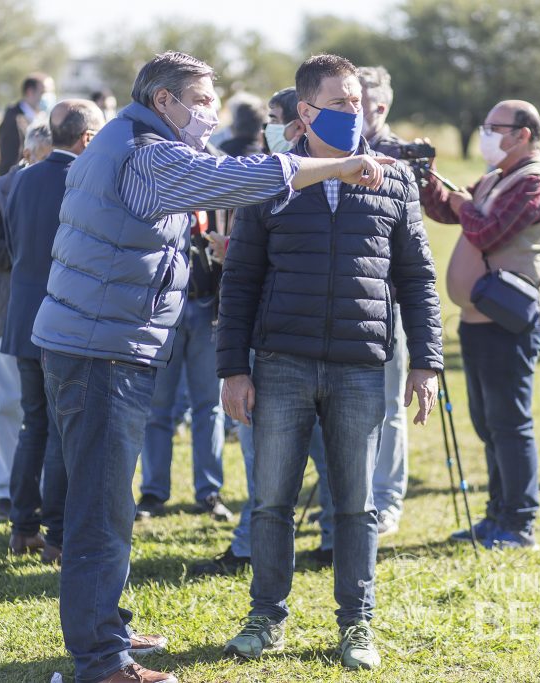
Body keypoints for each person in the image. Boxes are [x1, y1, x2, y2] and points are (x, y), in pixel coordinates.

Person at [30, 50, 395, 683]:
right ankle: (102, 661)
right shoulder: (146, 154)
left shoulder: (127, 140)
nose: (211, 113)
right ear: (163, 101)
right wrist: (336, 166)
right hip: (100, 351)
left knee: (107, 502)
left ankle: (104, 626)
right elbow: (238, 180)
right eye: (201, 101)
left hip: (96, 342)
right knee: (101, 510)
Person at [218, 54, 442, 671]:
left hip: (360, 366)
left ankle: (356, 624)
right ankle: (265, 617)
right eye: (341, 103)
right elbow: (240, 279)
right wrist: (232, 368)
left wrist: (426, 362)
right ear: (306, 110)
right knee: (271, 501)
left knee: (356, 505)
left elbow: (417, 278)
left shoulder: (395, 180)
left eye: (358, 102)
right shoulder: (271, 179)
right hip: (281, 364)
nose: (355, 112)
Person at [190, 87, 337, 576]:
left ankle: (254, 545)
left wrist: (234, 252)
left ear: (298, 124)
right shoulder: (296, 175)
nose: (267, 128)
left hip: (272, 336)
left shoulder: (287, 181)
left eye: (275, 118)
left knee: (266, 448)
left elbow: (281, 260)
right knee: (317, 447)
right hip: (287, 334)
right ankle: (327, 536)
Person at [421, 100, 540, 550]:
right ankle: (497, 515)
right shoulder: (497, 177)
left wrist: (465, 205)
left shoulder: (535, 182)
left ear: (523, 134)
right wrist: (427, 175)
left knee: (510, 423)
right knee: (489, 423)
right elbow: (447, 211)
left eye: (493, 127)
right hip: (481, 319)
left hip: (510, 321)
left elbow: (486, 231)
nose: (485, 133)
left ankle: (519, 523)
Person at [1, 101, 101, 563]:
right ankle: (58, 536)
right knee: (62, 431)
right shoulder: (85, 179)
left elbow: (13, 244)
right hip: (64, 320)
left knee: (33, 424)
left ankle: (22, 527)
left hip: (24, 316)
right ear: (85, 138)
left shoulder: (22, 178)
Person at [0, 120, 53, 522]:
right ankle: (4, 490)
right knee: (8, 404)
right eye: (45, 157)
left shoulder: (69, 183)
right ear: (27, 153)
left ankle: (47, 491)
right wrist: (28, 253)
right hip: (6, 312)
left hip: (54, 316)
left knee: (49, 411)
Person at [135, 203, 233, 523]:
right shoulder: (163, 187)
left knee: (210, 406)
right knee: (157, 406)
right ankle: (153, 491)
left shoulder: (220, 192)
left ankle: (209, 490)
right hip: (163, 310)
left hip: (209, 308)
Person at [356, 64, 418, 536]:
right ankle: (353, 495)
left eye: (357, 102)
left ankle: (387, 500)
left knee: (390, 405)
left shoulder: (401, 156)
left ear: (380, 107)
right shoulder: (333, 151)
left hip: (389, 298)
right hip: (348, 301)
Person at [0, 72, 55, 175]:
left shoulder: (43, 117)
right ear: (30, 92)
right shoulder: (14, 121)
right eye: (44, 92)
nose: (49, 97)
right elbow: (9, 163)